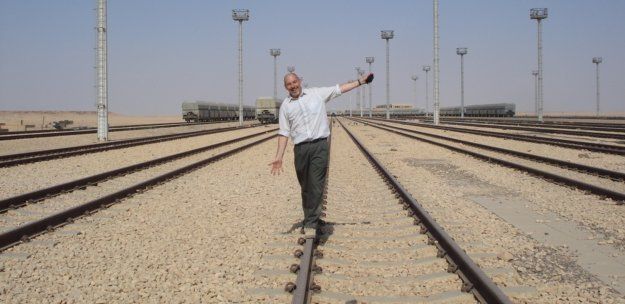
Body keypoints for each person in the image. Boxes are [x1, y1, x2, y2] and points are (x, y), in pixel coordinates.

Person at [269, 72, 373, 235]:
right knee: (305, 187)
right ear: (286, 87)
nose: (293, 86)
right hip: (301, 149)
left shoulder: (316, 94)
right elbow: (283, 132)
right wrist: (278, 157)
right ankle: (312, 217)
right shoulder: (286, 106)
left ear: (300, 81)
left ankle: (310, 224)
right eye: (289, 84)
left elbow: (339, 89)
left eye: (295, 82)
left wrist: (360, 82)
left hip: (319, 146)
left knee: (316, 184)